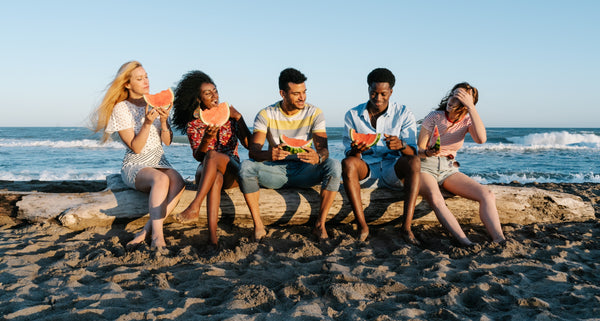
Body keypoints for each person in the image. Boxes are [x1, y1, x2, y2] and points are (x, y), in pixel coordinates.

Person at [238, 68, 342, 240]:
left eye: (304, 92)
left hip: (305, 171)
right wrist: (269, 155)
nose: (302, 97)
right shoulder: (266, 114)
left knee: (334, 165)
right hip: (275, 172)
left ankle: (320, 224)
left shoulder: (314, 113)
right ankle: (258, 226)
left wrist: (319, 157)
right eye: (296, 94)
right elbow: (253, 152)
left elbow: (324, 149)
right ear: (283, 93)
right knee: (246, 166)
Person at [91, 61, 185, 251]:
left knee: (178, 181)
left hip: (159, 160)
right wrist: (148, 123)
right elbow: (136, 148)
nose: (146, 81)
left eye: (146, 76)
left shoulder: (154, 103)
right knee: (161, 179)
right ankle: (158, 236)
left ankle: (145, 231)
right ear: (127, 84)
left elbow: (166, 142)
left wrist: (164, 121)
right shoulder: (121, 108)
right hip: (135, 165)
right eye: (139, 78)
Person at [418, 82, 506, 246]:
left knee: (487, 194)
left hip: (449, 168)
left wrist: (472, 109)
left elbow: (481, 140)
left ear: (467, 103)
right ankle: (465, 242)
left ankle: (499, 239)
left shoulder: (467, 121)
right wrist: (429, 152)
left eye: (460, 98)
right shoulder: (435, 116)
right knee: (437, 199)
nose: (452, 100)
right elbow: (419, 150)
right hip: (425, 166)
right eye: (452, 94)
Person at [171, 70, 251, 246]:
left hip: (233, 169)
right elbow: (198, 156)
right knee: (215, 175)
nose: (214, 95)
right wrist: (207, 138)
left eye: (215, 90)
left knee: (213, 156)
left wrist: (239, 118)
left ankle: (195, 205)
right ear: (199, 99)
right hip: (208, 172)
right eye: (208, 93)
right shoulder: (194, 124)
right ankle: (213, 239)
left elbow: (250, 145)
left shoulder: (230, 117)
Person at [342, 68, 421, 243]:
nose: (378, 98)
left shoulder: (404, 113)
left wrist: (401, 145)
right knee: (347, 163)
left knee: (414, 161)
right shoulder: (353, 115)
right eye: (374, 93)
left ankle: (406, 228)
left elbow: (413, 151)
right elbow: (350, 153)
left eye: (383, 94)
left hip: (392, 169)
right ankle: (362, 226)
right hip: (367, 169)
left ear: (391, 92)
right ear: (368, 90)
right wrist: (357, 150)